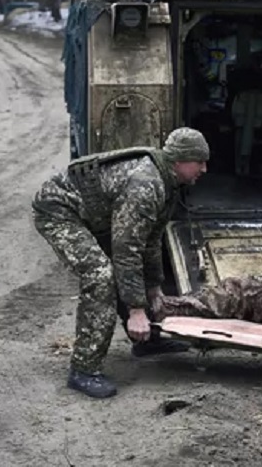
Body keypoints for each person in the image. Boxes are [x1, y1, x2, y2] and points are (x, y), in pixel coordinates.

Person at [32, 127, 210, 398]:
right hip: (60, 211)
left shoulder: (169, 181)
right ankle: (84, 369)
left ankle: (146, 341)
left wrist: (154, 288)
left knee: (127, 269)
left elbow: (150, 240)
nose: (205, 169)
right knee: (101, 275)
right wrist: (137, 309)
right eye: (200, 161)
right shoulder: (145, 184)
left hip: (96, 216)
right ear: (180, 161)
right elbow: (126, 250)